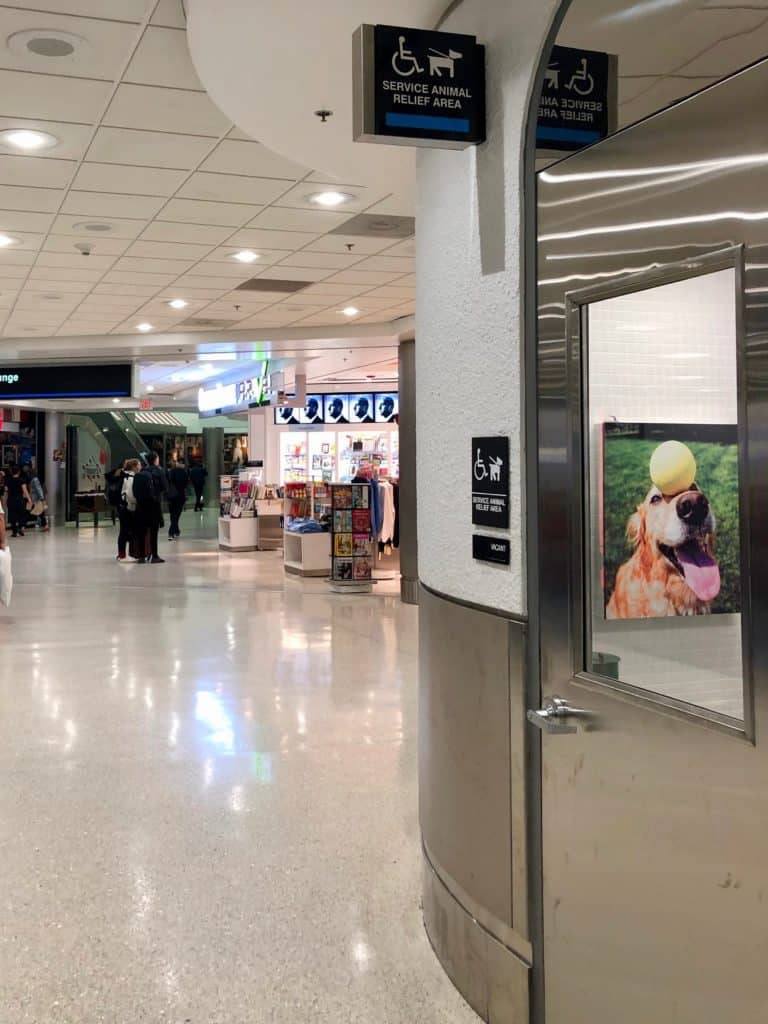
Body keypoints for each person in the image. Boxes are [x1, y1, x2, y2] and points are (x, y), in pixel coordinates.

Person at [132, 458, 164, 564]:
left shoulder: (137, 477)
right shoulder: (152, 476)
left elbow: (134, 493)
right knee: (153, 534)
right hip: (152, 508)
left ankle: (141, 556)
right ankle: (154, 555)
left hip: (140, 508)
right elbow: (155, 494)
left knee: (141, 533)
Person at [114, 459, 139, 561]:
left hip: (122, 506)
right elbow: (130, 495)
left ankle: (122, 554)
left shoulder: (123, 475)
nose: (140, 467)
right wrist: (136, 502)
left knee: (124, 530)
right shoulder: (130, 477)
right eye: (139, 465)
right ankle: (124, 555)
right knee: (125, 531)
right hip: (127, 507)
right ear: (134, 467)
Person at [5, 464, 30, 538]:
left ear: (12, 472)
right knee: (22, 514)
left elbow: (6, 490)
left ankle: (14, 532)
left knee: (12, 516)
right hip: (19, 499)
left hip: (11, 500)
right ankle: (20, 528)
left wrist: (6, 500)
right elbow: (25, 490)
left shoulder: (8, 481)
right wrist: (29, 499)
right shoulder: (21, 480)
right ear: (19, 472)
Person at [168, 459, 189, 541]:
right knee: (176, 515)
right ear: (183, 465)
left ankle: (176, 531)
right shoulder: (184, 473)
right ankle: (171, 532)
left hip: (171, 496)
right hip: (180, 496)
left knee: (172, 514)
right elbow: (185, 485)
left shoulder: (171, 471)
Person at [26, 466, 49, 532]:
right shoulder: (34, 479)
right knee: (40, 512)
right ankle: (45, 525)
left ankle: (22, 526)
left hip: (36, 499)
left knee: (38, 512)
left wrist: (42, 498)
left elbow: (38, 489)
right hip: (35, 498)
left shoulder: (35, 480)